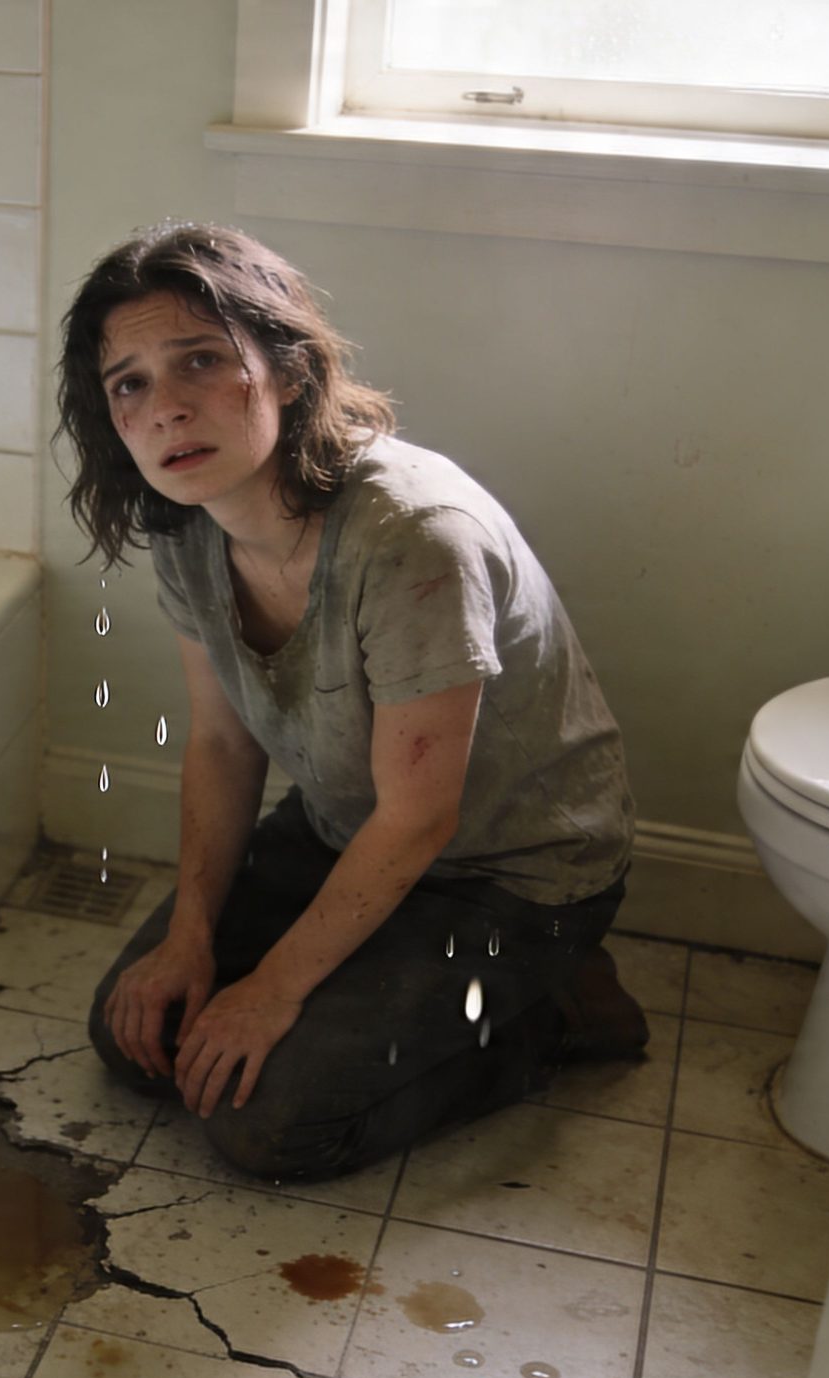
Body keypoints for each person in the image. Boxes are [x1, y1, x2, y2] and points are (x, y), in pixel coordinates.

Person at [57, 223, 646, 1180]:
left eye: (201, 361)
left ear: (286, 371)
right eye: (130, 383)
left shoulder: (413, 536)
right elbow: (220, 743)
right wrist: (189, 940)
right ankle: (383, 990)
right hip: (346, 830)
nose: (166, 408)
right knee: (137, 1038)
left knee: (272, 1124)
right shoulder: (187, 520)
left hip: (509, 875)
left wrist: (273, 991)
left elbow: (424, 814)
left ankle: (557, 1010)